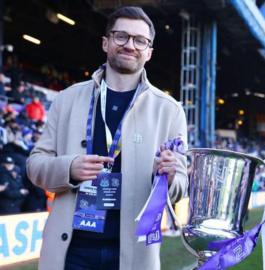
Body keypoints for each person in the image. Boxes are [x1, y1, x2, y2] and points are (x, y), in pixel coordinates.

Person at [26, 6, 188, 270]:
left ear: (149, 52)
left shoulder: (169, 110)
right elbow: (34, 166)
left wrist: (170, 176)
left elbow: (181, 185)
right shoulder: (67, 99)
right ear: (106, 42)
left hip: (133, 257)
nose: (129, 45)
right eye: (121, 36)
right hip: (70, 254)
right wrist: (69, 168)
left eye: (140, 40)